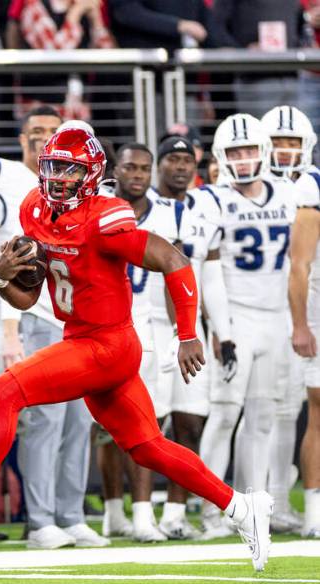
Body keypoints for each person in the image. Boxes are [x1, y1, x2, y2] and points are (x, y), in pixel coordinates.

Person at [0, 127, 275, 573]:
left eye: (70, 169)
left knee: (5, 390)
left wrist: (187, 333)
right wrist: (2, 279)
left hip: (109, 344)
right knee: (147, 446)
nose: (58, 177)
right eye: (53, 167)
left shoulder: (106, 216)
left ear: (92, 173)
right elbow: (30, 297)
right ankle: (241, 507)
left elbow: (175, 261)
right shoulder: (35, 209)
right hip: (81, 339)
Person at [0, 106, 100, 548]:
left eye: (52, 133)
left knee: (80, 421)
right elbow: (8, 267)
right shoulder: (18, 190)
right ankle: (40, 521)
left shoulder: (82, 193)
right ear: (23, 140)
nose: (45, 140)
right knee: (45, 422)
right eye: (36, 132)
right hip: (37, 317)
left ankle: (70, 513)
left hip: (81, 322)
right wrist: (10, 327)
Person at [194, 114, 297, 538]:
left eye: (250, 150)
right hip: (235, 315)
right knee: (223, 414)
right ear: (222, 156)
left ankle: (253, 507)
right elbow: (203, 269)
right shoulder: (212, 200)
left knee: (262, 417)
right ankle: (209, 509)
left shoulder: (288, 193)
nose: (244, 159)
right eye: (235, 152)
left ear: (264, 152)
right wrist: (220, 328)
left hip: (277, 318)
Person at [101, 142, 187, 543]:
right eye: (130, 168)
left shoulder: (167, 212)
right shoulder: (98, 206)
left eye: (144, 169)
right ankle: (114, 512)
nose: (137, 175)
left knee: (145, 424)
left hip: (147, 327)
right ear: (115, 170)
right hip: (105, 325)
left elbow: (175, 274)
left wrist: (180, 332)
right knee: (103, 427)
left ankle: (141, 515)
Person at [149, 135, 230, 540]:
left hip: (190, 329)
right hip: (147, 323)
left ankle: (175, 514)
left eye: (186, 160)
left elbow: (210, 274)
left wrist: (218, 329)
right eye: (172, 159)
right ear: (158, 164)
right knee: (148, 423)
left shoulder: (209, 204)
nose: (180, 167)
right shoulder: (141, 203)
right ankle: (138, 514)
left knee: (190, 421)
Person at [262, 105, 314, 533]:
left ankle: (278, 499)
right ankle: (257, 502)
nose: (284, 150)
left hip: (299, 308)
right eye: (277, 141)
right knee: (263, 411)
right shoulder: (245, 187)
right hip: (263, 308)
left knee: (291, 408)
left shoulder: (309, 187)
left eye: (292, 141)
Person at [290, 128, 320, 539]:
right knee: (319, 412)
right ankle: (314, 509)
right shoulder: (312, 184)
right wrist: (300, 324)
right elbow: (300, 265)